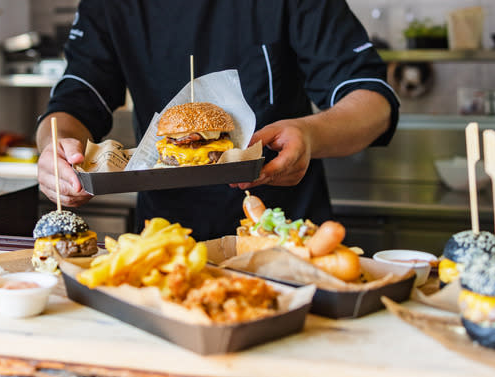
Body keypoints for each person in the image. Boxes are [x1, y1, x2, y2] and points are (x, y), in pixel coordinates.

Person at [36, 0, 399, 241]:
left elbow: (372, 101)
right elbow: (76, 97)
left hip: (286, 235)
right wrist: (57, 150)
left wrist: (311, 133)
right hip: (166, 241)